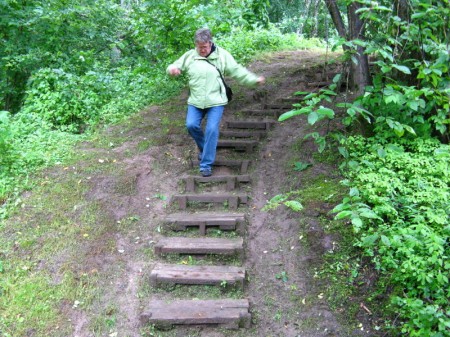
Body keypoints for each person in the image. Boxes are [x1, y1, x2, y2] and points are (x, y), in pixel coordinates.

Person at [167, 28, 265, 177]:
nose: (202, 50)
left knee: (212, 129)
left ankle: (206, 164)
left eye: (204, 47)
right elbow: (174, 65)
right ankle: (206, 148)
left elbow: (237, 70)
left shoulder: (222, 55)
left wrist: (253, 80)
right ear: (196, 44)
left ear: (210, 43)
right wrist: (172, 69)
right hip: (195, 101)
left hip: (216, 101)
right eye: (199, 47)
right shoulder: (190, 56)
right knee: (191, 125)